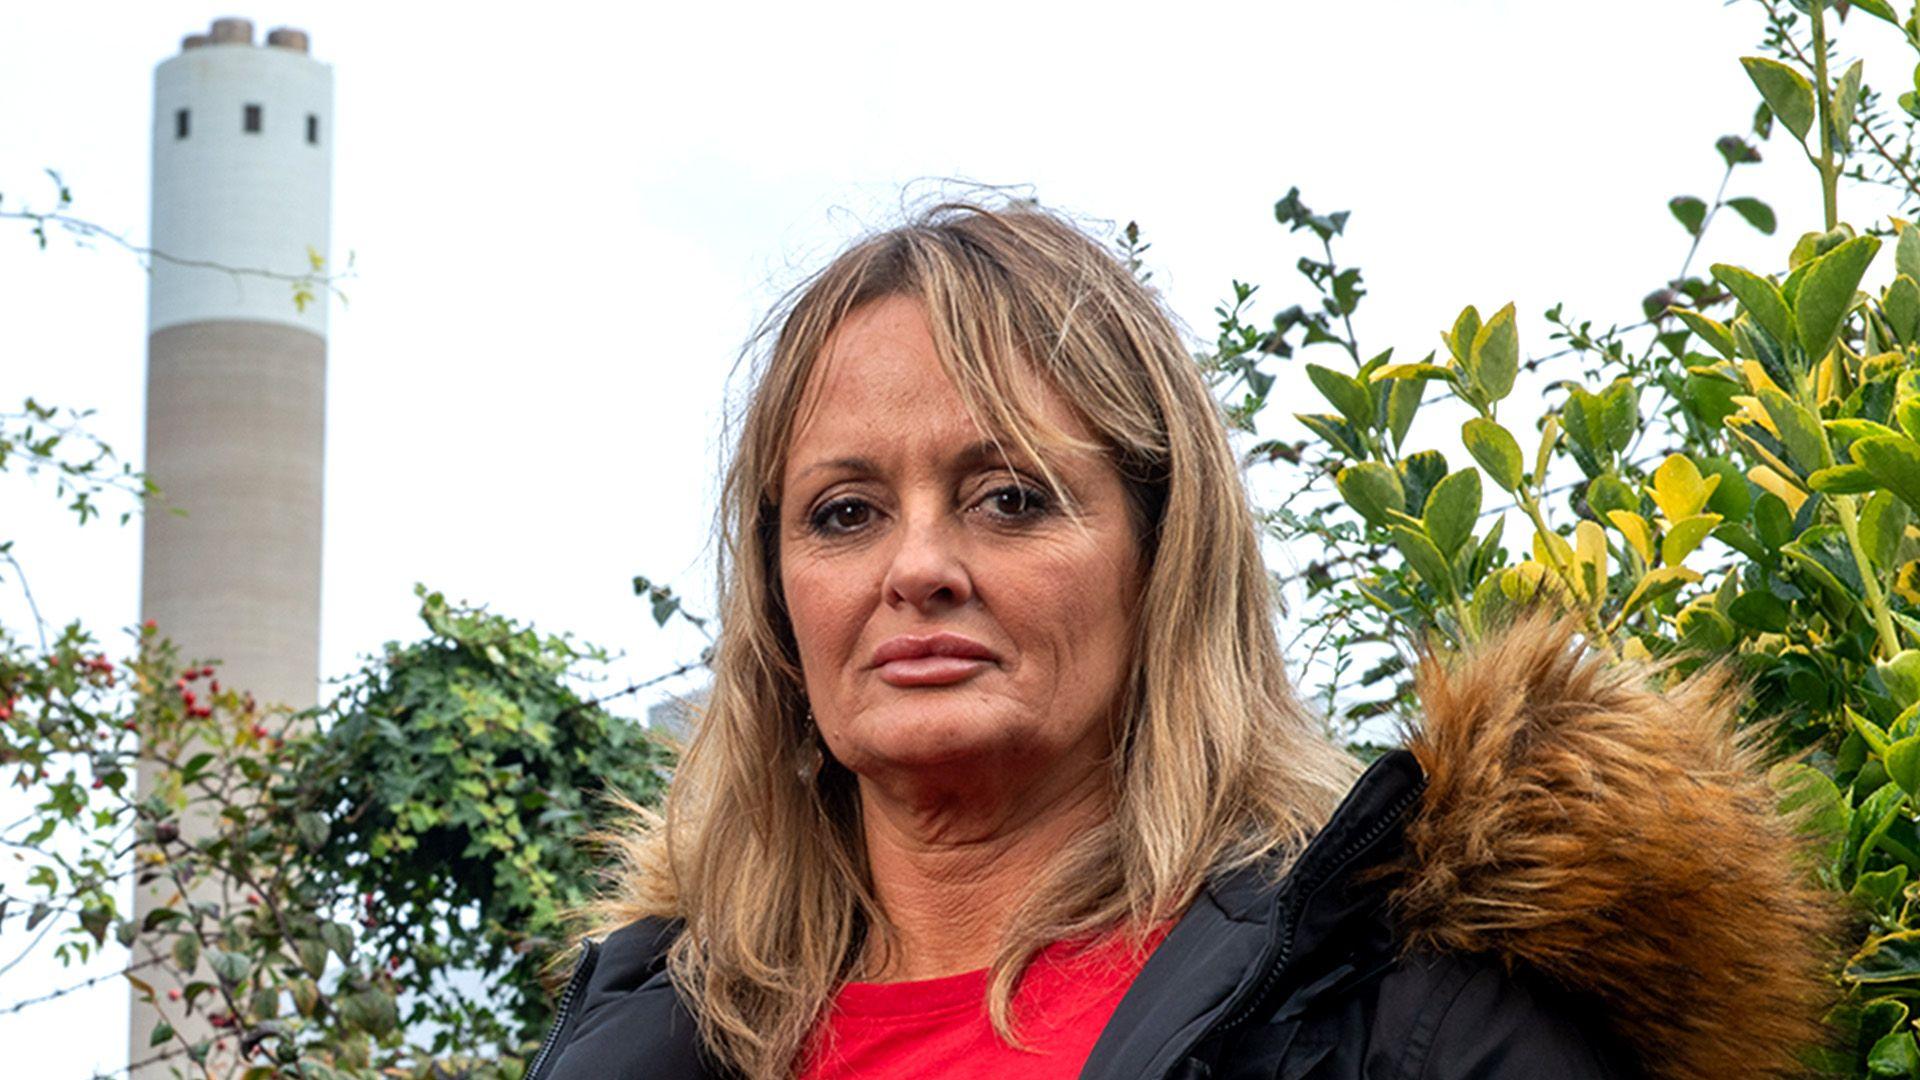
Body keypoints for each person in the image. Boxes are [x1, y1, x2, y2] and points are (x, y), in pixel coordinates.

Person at [524, 203, 1838, 1080]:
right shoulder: (646, 1032)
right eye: (846, 512)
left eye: (1010, 497)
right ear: (775, 595)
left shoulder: (1401, 1020)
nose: (917, 567)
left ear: (1164, 556)